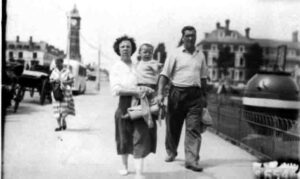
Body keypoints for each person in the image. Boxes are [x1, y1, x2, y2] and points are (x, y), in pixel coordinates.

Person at [157, 26, 208, 172]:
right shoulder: (175, 54)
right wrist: (160, 93)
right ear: (183, 37)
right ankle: (171, 151)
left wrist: (205, 97)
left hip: (195, 96)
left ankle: (191, 160)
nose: (190, 38)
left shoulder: (201, 55)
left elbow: (203, 78)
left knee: (193, 128)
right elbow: (164, 75)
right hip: (177, 94)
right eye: (187, 36)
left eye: (193, 35)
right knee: (173, 126)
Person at [110, 36, 157, 178]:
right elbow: (116, 90)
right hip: (123, 104)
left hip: (140, 104)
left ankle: (139, 173)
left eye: (128, 47)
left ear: (132, 50)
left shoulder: (138, 66)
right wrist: (135, 91)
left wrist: (149, 90)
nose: (125, 49)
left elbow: (148, 80)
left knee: (140, 136)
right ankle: (124, 167)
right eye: (122, 46)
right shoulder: (116, 67)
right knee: (123, 136)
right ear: (118, 49)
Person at [121, 43, 162, 128]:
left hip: (148, 87)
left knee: (145, 103)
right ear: (140, 53)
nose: (147, 54)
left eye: (150, 52)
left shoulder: (152, 62)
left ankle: (147, 119)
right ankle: (132, 113)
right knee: (135, 102)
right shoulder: (138, 64)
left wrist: (158, 66)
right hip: (139, 86)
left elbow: (156, 69)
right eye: (145, 52)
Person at [49, 58, 75, 131]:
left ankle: (63, 121)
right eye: (56, 63)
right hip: (56, 92)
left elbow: (72, 80)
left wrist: (64, 82)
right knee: (57, 109)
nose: (57, 64)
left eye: (58, 63)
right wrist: (55, 80)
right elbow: (50, 80)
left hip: (65, 92)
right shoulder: (54, 71)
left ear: (62, 63)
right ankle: (59, 126)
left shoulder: (67, 71)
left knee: (63, 110)